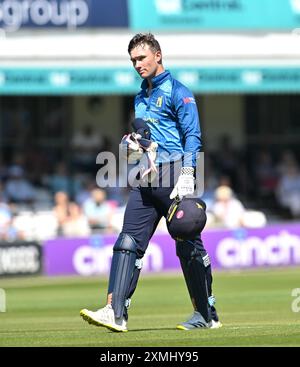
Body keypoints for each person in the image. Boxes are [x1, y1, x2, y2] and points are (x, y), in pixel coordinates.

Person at [80, 33, 221, 332]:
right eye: (133, 60)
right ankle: (114, 312)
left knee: (188, 243)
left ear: (158, 55)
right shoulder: (139, 96)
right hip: (147, 177)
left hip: (174, 176)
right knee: (127, 242)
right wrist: (131, 144)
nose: (137, 64)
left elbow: (192, 136)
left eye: (141, 58)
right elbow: (146, 139)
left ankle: (206, 314)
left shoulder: (178, 91)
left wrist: (188, 173)